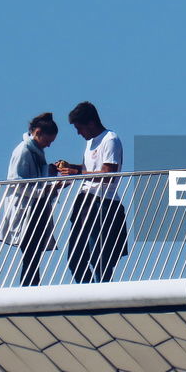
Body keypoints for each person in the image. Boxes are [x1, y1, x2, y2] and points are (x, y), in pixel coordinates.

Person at [55, 102, 128, 282]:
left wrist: (78, 173)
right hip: (85, 201)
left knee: (100, 257)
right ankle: (88, 290)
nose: (79, 133)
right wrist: (70, 167)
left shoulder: (110, 139)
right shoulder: (90, 143)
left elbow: (109, 173)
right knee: (75, 258)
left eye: (80, 128)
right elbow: (90, 168)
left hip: (102, 202)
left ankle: (103, 291)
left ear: (91, 123)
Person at [0, 112, 64, 286]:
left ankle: (32, 285)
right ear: (38, 132)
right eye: (48, 140)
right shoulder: (24, 151)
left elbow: (34, 180)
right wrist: (46, 189)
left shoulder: (36, 152)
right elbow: (16, 181)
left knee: (34, 252)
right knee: (30, 251)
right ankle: (29, 287)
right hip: (27, 208)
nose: (48, 146)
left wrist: (49, 177)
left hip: (36, 207)